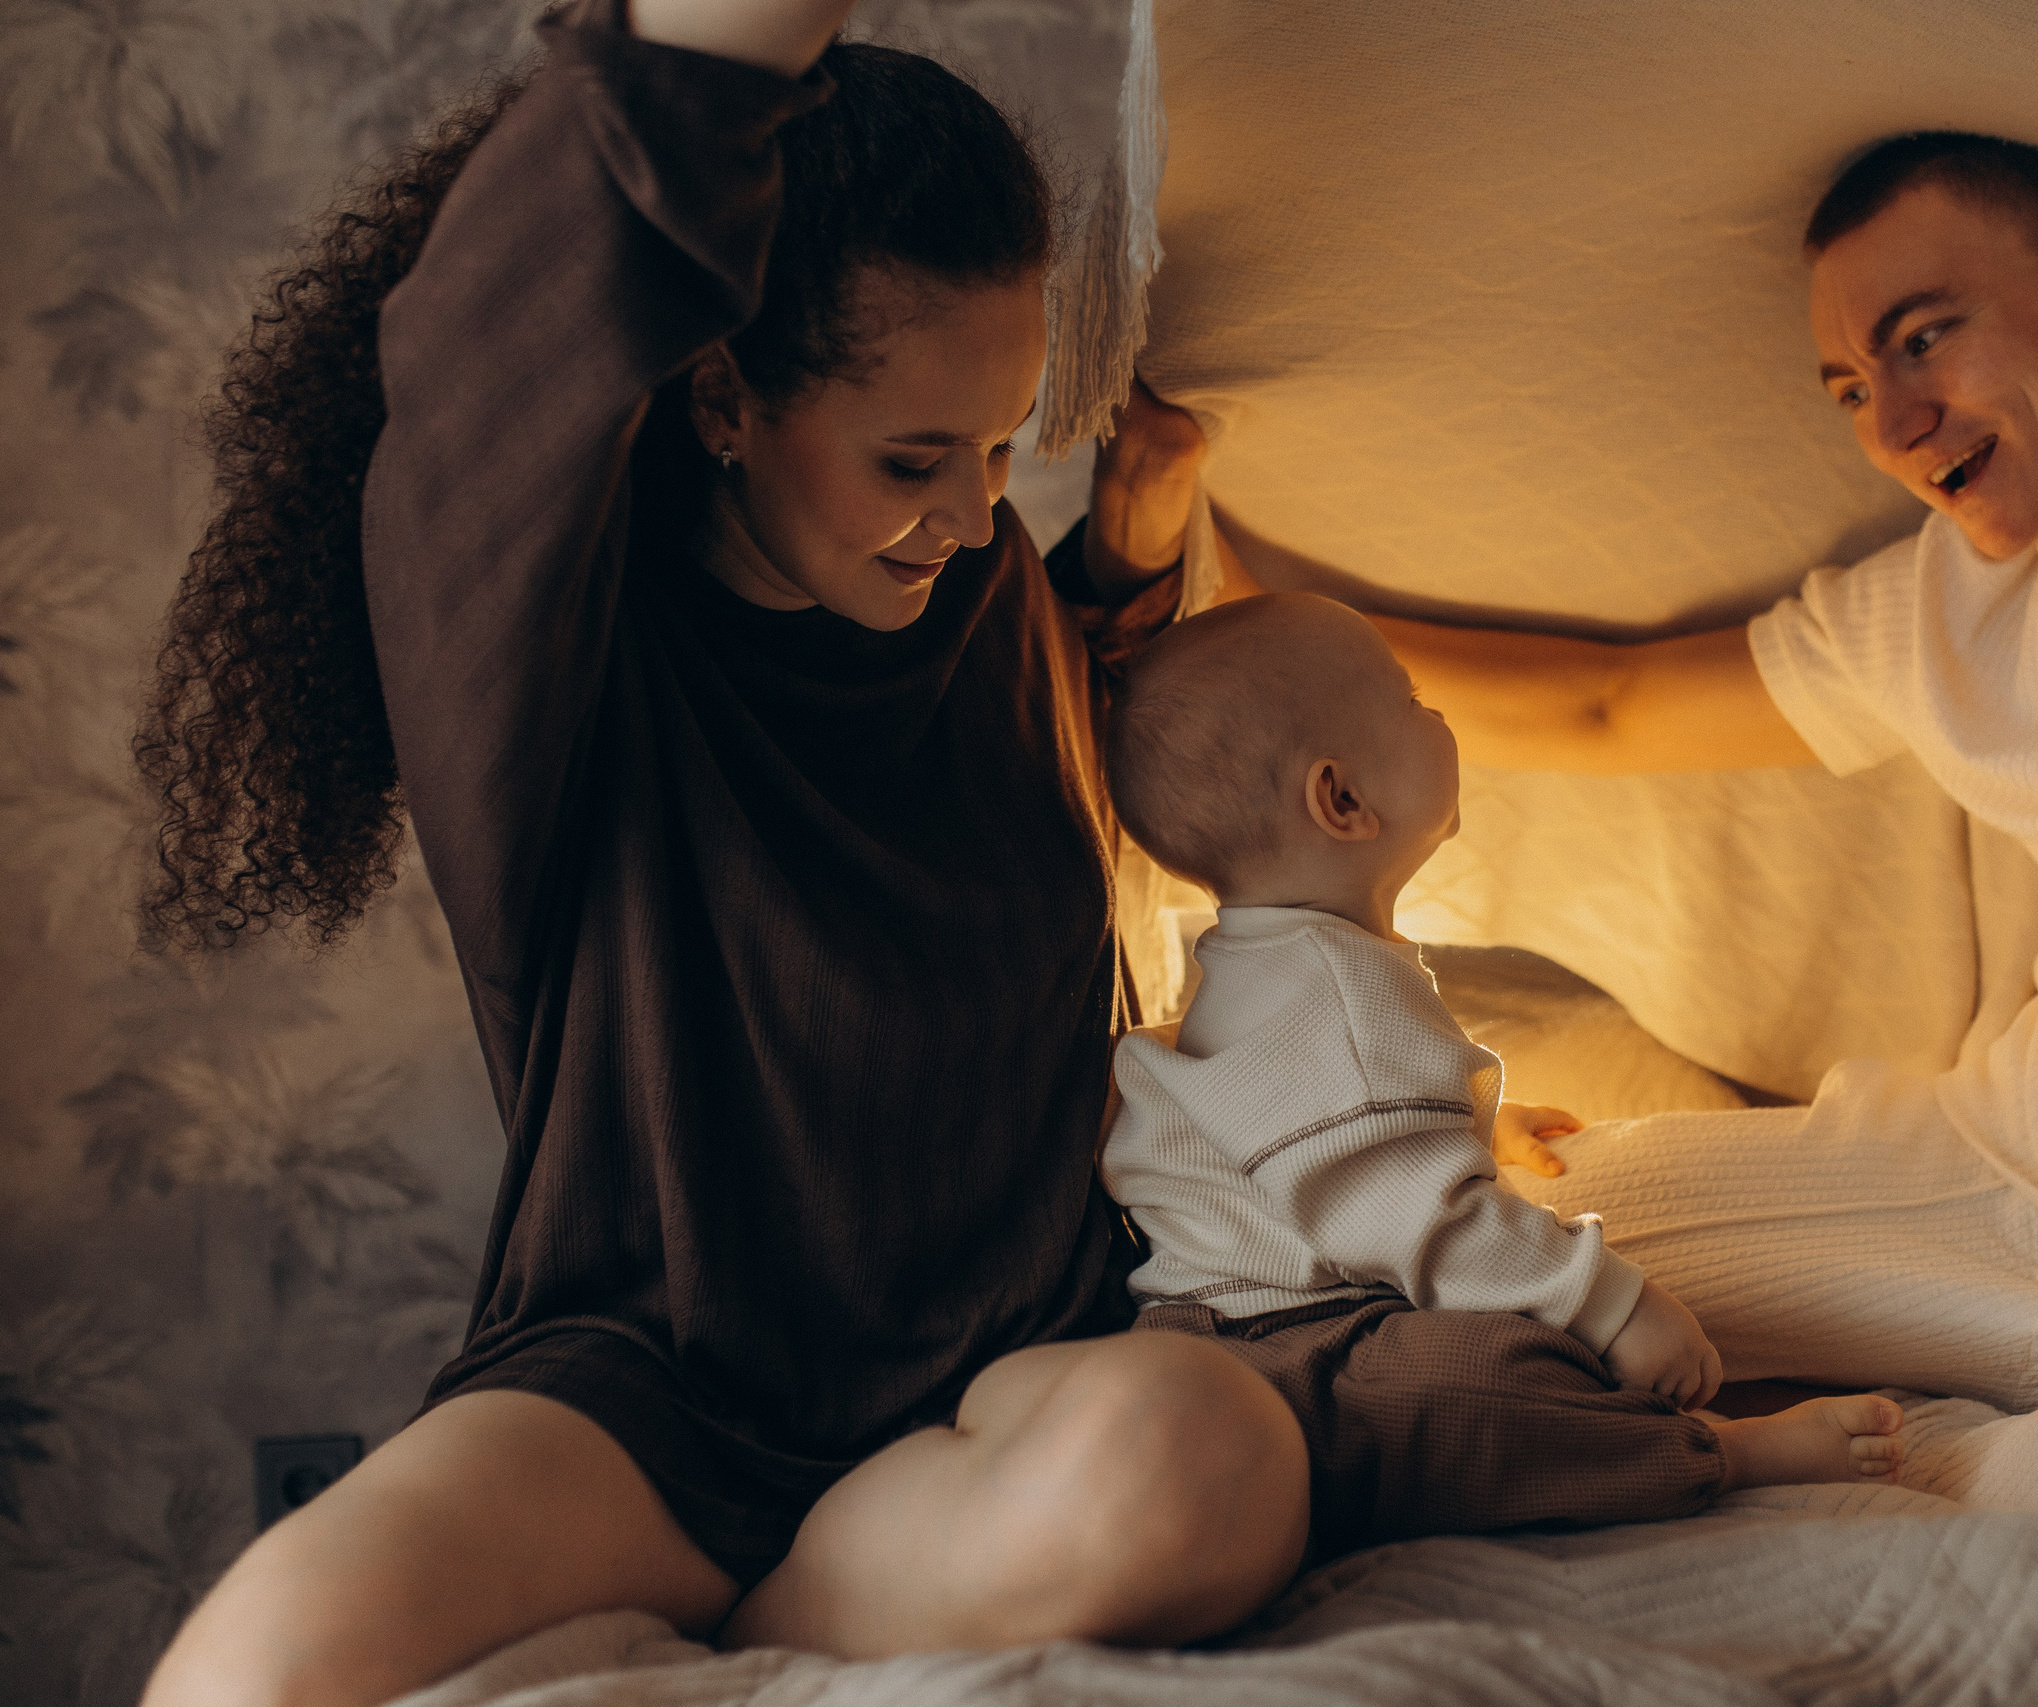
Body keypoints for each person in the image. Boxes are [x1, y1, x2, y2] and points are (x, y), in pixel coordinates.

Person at [1081, 0, 2038, 1536]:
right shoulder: (1943, 610)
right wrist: (1215, 583)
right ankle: (1864, 1433)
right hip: (2011, 1179)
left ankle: (1943, 1460)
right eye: (1853, 387)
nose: (1899, 420)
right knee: (1495, 1251)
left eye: (1925, 336)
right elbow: (1608, 710)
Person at [137, 2, 1310, 1702]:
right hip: (655, 1392)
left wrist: (1118, 565)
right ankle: (782, 1577)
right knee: (249, 1668)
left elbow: (1010, 737)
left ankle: (788, 1613)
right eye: (915, 457)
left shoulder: (976, 588)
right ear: (724, 401)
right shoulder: (550, 662)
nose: (975, 511)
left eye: (1003, 445)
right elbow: (497, 343)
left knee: (1216, 1464)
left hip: (1016, 1359)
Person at [1098, 593, 1904, 1562]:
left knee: (1477, 1371)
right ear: (1342, 800)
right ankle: (1717, 1457)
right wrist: (1617, 1308)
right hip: (1284, 1352)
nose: (1435, 718)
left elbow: (1327, 1137)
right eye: (1412, 701)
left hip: (1265, 1340)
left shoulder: (1277, 968)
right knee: (1495, 1375)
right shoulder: (1340, 992)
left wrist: (1468, 1126)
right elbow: (1420, 1218)